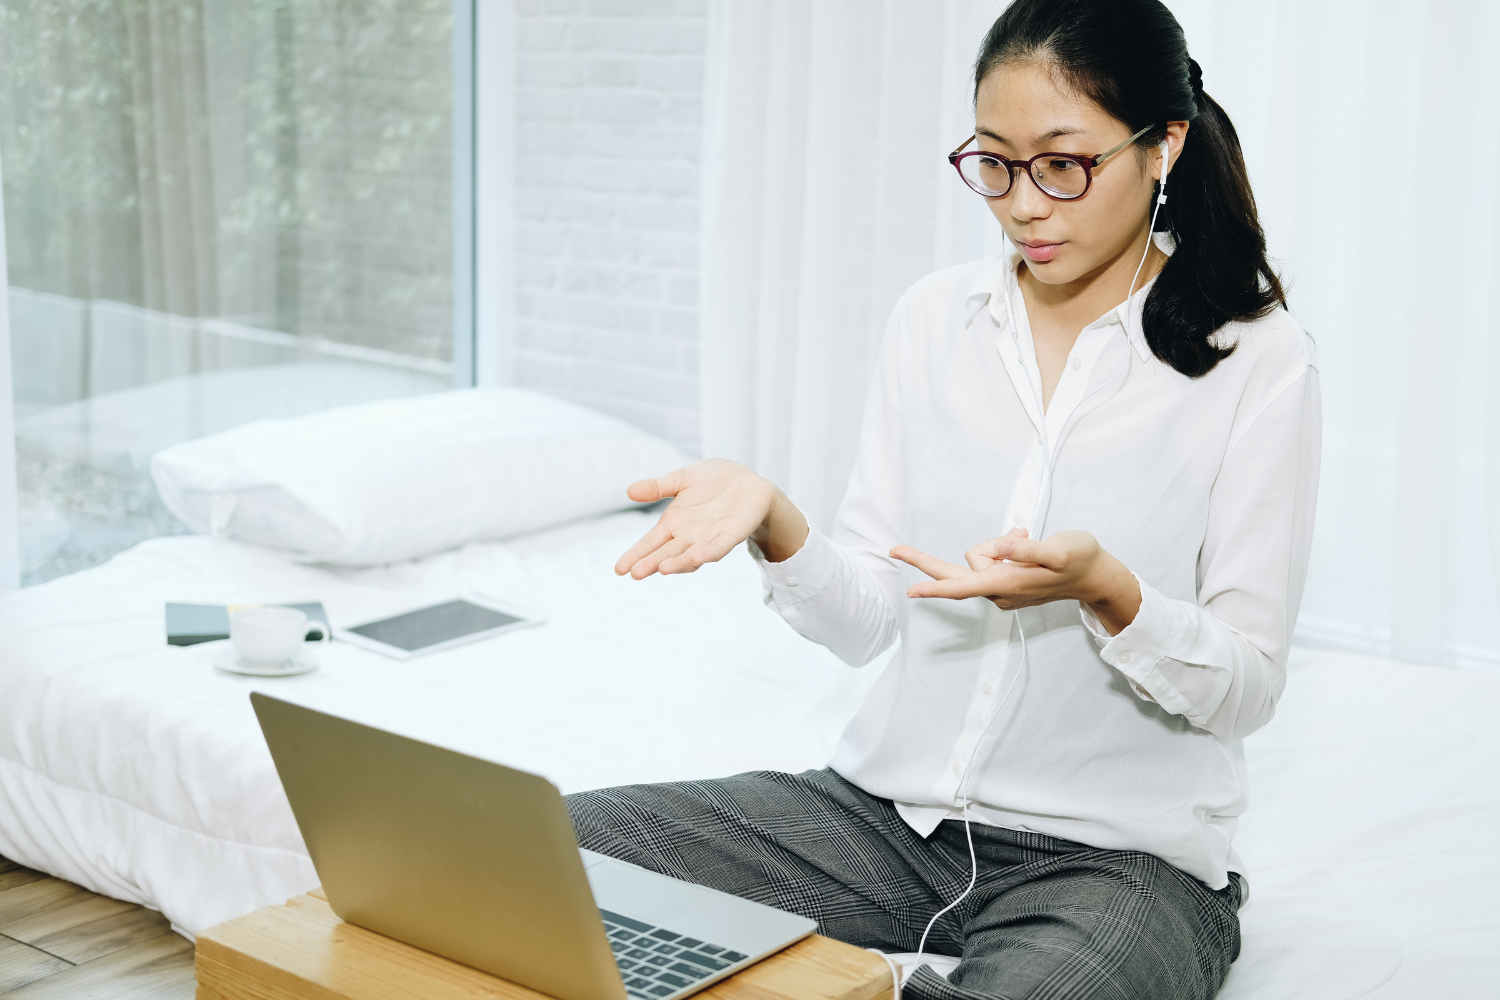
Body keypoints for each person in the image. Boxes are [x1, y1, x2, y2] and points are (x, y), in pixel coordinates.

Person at [567, 0, 1319, 996]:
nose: (1024, 205)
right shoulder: (933, 319)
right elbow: (871, 619)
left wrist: (1107, 590)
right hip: (879, 821)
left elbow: (1248, 684)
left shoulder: (1259, 361)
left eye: (1064, 163)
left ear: (1163, 145)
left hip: (1115, 864)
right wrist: (775, 515)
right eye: (995, 164)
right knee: (539, 849)